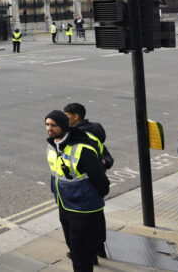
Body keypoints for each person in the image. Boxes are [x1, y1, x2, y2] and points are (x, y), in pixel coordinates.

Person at [45, 110, 109, 271]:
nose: (49, 128)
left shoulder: (82, 149)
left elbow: (101, 181)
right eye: (47, 124)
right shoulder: (53, 144)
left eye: (54, 125)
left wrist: (93, 197)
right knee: (74, 247)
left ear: (64, 126)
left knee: (81, 252)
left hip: (83, 208)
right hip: (64, 204)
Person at [64, 102, 113, 259]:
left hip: (85, 185)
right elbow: (108, 157)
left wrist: (100, 164)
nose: (64, 119)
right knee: (98, 218)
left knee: (82, 223)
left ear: (76, 116)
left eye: (66, 116)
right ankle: (99, 249)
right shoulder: (94, 133)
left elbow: (102, 158)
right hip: (96, 183)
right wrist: (104, 163)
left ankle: (87, 254)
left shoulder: (79, 136)